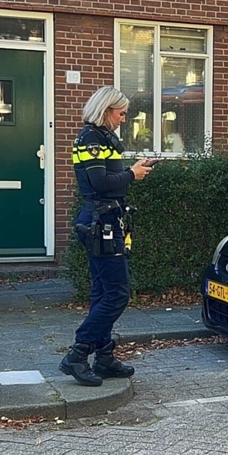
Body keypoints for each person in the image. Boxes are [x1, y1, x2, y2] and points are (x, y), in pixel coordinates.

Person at [61, 86, 153, 386]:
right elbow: (99, 181)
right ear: (105, 111)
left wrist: (129, 171)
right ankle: (78, 353)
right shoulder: (91, 138)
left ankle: (103, 356)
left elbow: (105, 177)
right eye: (121, 113)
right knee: (117, 293)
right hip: (101, 221)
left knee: (102, 291)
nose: (124, 119)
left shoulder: (100, 138)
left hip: (107, 218)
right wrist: (132, 175)